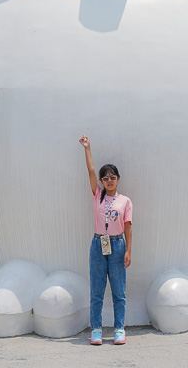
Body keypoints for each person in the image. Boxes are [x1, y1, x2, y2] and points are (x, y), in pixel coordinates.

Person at [79, 134, 132, 346]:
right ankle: (97, 329)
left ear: (118, 179)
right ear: (101, 181)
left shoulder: (125, 201)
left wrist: (129, 250)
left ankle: (119, 328)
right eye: (105, 178)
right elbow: (91, 171)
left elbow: (128, 226)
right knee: (97, 291)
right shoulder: (98, 195)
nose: (109, 181)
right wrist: (87, 148)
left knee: (119, 291)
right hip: (98, 245)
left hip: (118, 245)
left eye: (113, 177)